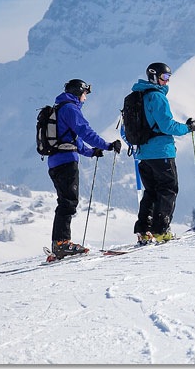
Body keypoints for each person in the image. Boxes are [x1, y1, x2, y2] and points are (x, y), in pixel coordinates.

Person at [47, 78, 122, 259]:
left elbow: (73, 139)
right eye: (84, 94)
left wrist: (91, 152)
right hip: (66, 162)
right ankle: (61, 243)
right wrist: (107, 145)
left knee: (65, 200)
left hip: (55, 161)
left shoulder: (60, 108)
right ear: (77, 92)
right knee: (68, 202)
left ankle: (60, 243)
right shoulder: (70, 109)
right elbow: (85, 131)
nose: (85, 98)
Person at [131, 62, 195, 243]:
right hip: (161, 152)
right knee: (168, 189)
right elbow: (167, 125)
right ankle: (161, 230)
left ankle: (144, 230)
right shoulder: (157, 97)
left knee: (151, 191)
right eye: (165, 77)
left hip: (143, 154)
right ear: (154, 76)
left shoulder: (138, 97)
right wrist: (187, 128)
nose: (167, 81)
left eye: (169, 77)